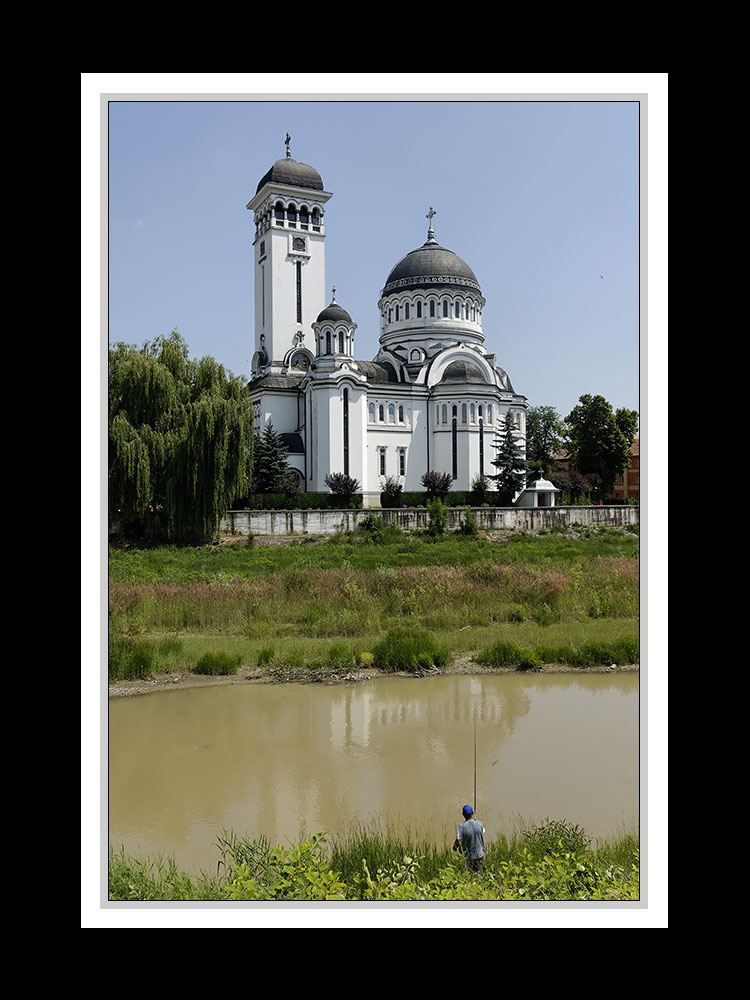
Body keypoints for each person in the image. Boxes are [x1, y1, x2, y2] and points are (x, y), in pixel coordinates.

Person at [453, 804, 485, 871]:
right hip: (480, 854)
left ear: (463, 814)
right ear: (472, 813)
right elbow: (482, 832)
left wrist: (455, 847)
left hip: (469, 856)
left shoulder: (461, 827)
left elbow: (458, 840)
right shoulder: (480, 824)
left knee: (469, 872)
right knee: (479, 871)